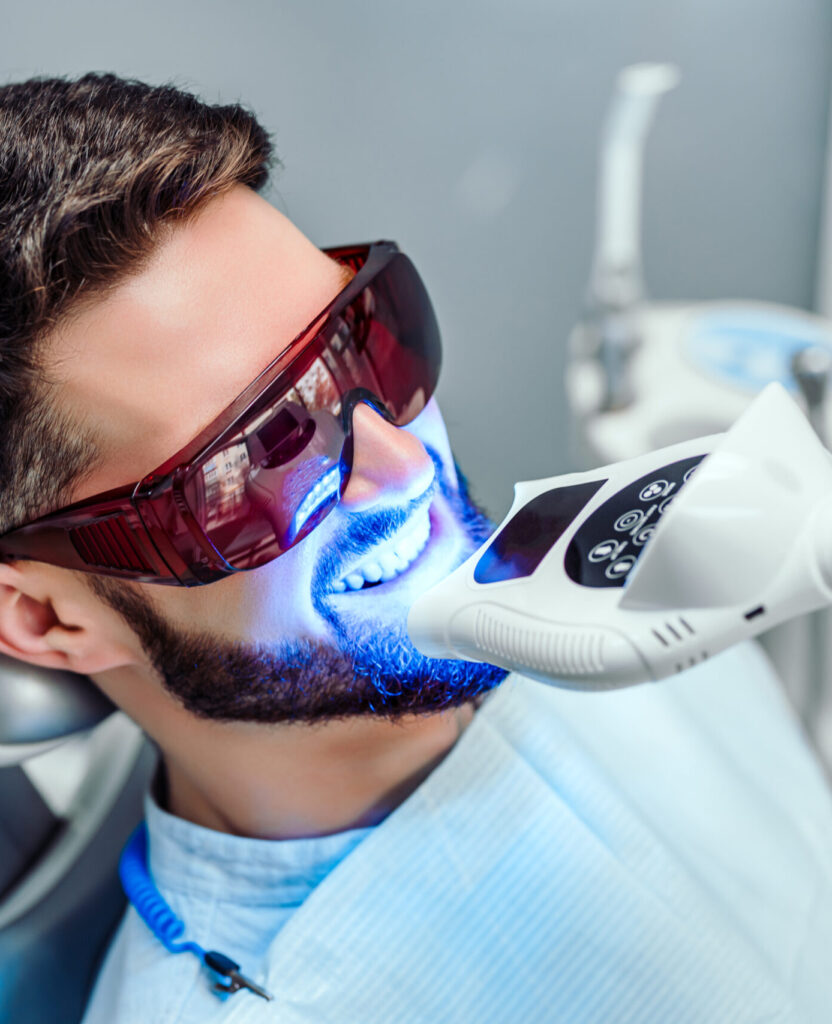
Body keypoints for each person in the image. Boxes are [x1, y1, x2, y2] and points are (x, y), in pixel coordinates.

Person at [0, 73, 829, 1024]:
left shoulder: (617, 573)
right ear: (47, 615)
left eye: (367, 342)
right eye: (259, 456)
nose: (405, 467)